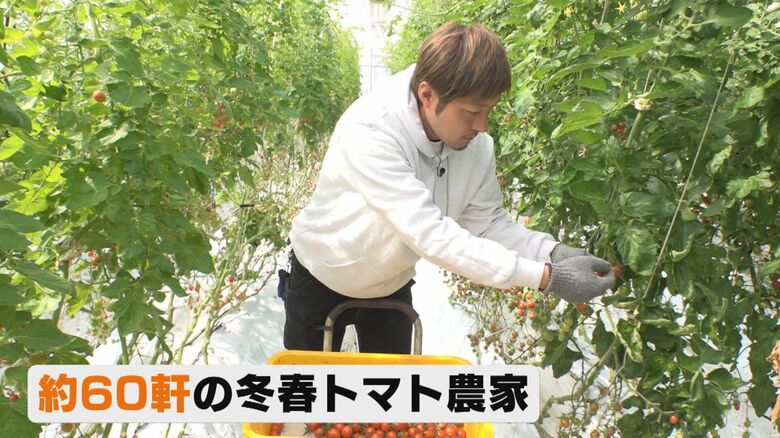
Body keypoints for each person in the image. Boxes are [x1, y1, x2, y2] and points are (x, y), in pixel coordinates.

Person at [282, 22, 615, 354]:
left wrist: (552, 253)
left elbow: (489, 224)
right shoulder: (371, 130)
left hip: (389, 283)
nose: (482, 125)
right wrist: (546, 277)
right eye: (472, 111)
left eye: (489, 109)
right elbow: (428, 233)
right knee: (308, 383)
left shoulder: (475, 145)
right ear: (427, 95)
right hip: (322, 275)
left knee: (392, 385)